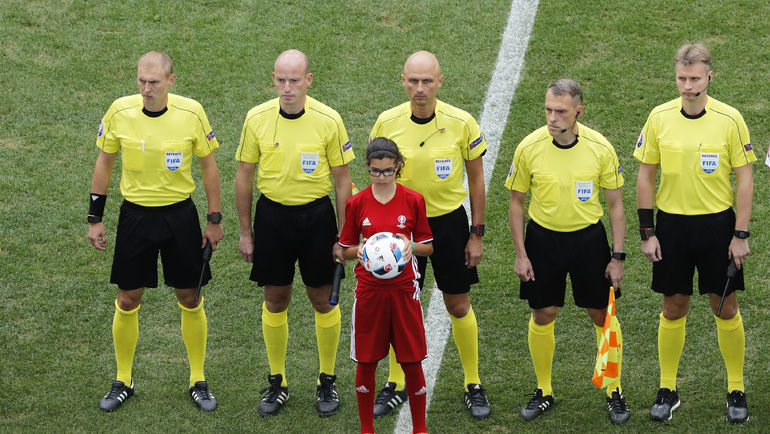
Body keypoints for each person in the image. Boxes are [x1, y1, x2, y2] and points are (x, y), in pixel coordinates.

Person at [88, 51, 224, 412]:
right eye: (141, 82)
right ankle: (123, 379)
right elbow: (104, 161)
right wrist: (95, 217)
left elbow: (209, 167)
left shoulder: (192, 113)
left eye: (154, 83)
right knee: (128, 299)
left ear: (171, 81)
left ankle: (197, 379)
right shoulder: (119, 111)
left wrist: (214, 219)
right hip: (136, 217)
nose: (146, 89)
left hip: (180, 216)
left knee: (189, 297)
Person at [634, 43, 755, 423]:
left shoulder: (730, 119)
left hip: (718, 227)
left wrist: (741, 234)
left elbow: (745, 179)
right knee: (673, 307)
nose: (687, 86)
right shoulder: (659, 117)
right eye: (682, 79)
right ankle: (667, 389)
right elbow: (645, 175)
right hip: (672, 228)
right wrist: (647, 232)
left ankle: (736, 388)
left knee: (726, 306)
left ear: (709, 77)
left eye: (695, 79)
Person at [369, 50, 491, 420]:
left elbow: (476, 179)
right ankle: (396, 382)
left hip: (449, 225)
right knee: (400, 305)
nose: (420, 89)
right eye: (413, 81)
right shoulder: (386, 122)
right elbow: (376, 176)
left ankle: (473, 382)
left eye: (427, 81)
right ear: (403, 81)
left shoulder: (462, 123)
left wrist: (476, 233)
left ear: (440, 82)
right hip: (400, 227)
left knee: (458, 304)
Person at [235, 49, 354, 417]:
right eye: (280, 80)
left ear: (308, 80)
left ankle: (327, 380)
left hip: (316, 219)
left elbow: (342, 181)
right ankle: (277, 381)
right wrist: (245, 232)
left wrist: (343, 235)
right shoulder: (256, 118)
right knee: (276, 299)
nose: (286, 88)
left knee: (323, 299)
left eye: (294, 80)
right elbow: (244, 176)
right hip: (272, 219)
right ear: (273, 79)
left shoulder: (328, 120)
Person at [505, 78, 629, 425]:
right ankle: (543, 390)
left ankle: (614, 390)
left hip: (589, 241)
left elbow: (616, 204)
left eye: (560, 111)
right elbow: (516, 203)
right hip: (543, 241)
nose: (552, 117)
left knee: (602, 316)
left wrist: (617, 257)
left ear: (579, 111)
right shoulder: (529, 147)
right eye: (548, 109)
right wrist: (521, 254)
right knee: (543, 313)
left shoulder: (600, 148)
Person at [339, 137, 434, 434]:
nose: (381, 178)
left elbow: (428, 247)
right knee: (366, 362)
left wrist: (411, 246)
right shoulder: (356, 203)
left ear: (398, 167)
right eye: (375, 171)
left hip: (405, 291)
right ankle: (367, 429)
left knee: (412, 360)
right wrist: (361, 250)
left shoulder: (413, 200)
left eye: (388, 171)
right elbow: (344, 249)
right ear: (367, 167)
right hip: (369, 292)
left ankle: (420, 428)